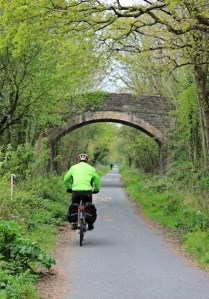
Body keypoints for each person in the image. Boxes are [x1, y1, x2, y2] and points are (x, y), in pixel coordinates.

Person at [64, 153, 101, 230]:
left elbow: (66, 179)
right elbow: (97, 180)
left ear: (78, 159)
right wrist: (96, 189)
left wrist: (69, 187)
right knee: (89, 205)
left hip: (76, 191)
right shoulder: (91, 168)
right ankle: (90, 223)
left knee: (74, 204)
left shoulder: (73, 168)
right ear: (87, 160)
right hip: (87, 191)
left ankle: (74, 223)